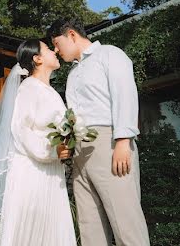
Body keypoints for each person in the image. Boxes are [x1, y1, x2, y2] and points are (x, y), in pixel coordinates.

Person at [47, 18, 150, 246]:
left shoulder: (110, 54)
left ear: (71, 35)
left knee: (125, 220)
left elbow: (125, 95)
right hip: (80, 152)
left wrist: (123, 140)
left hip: (109, 144)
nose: (56, 50)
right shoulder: (73, 73)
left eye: (57, 43)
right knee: (89, 225)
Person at [0, 38, 78, 246]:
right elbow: (21, 130)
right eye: (47, 49)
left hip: (52, 173)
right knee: (32, 231)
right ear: (37, 59)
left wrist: (67, 146)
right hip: (32, 171)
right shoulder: (28, 88)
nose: (54, 50)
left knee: (52, 230)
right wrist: (53, 150)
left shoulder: (50, 92)